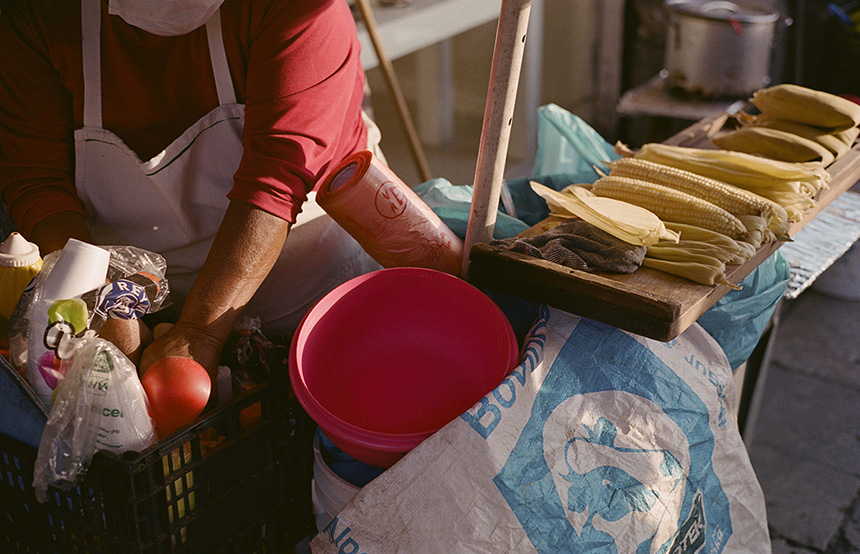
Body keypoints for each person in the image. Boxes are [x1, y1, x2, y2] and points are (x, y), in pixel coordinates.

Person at [0, 0, 383, 386]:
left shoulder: (297, 9)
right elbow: (38, 179)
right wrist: (94, 299)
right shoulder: (40, 14)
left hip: (316, 296)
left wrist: (201, 331)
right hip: (148, 322)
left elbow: (277, 180)